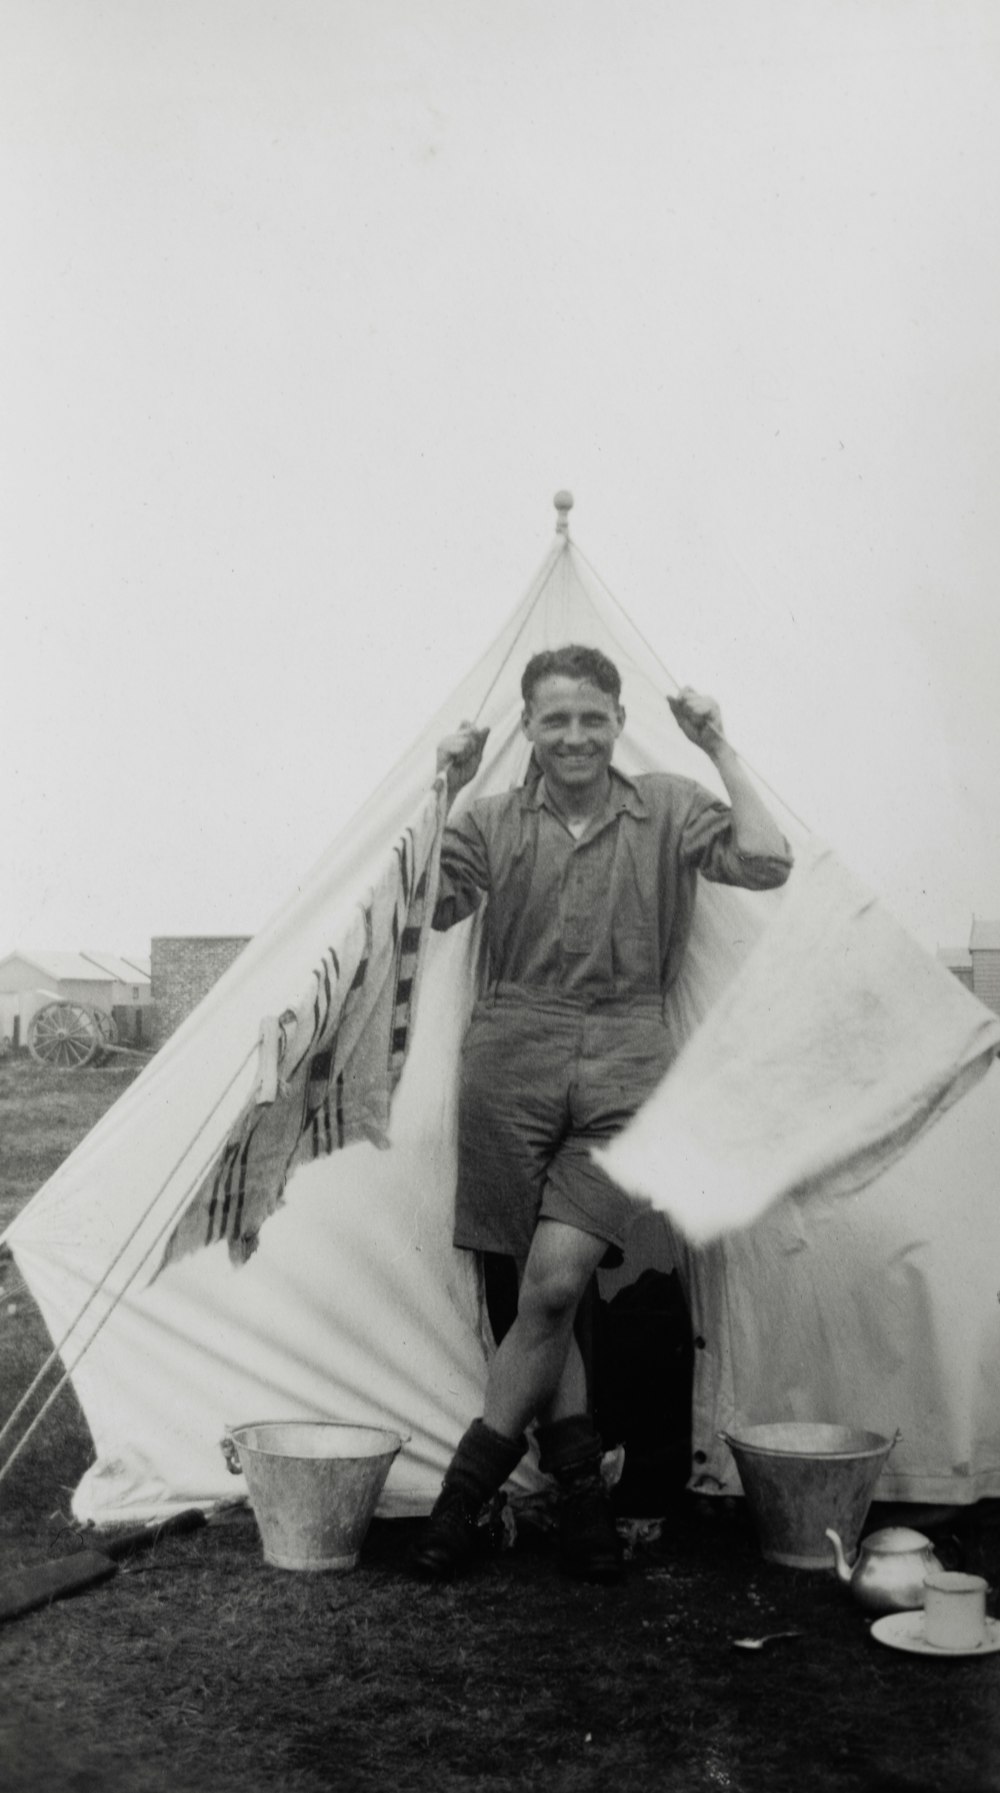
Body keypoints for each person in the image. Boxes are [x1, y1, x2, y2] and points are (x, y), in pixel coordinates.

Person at [411, 644, 792, 1582]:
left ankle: (458, 1508)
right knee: (549, 1296)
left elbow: (768, 860)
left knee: (551, 1284)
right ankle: (582, 1500)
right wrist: (441, 786)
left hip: (628, 1064)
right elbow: (425, 904)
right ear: (529, 731)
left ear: (619, 721)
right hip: (510, 1055)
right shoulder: (492, 819)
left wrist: (720, 746)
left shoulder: (667, 805)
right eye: (554, 719)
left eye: (591, 717)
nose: (573, 735)